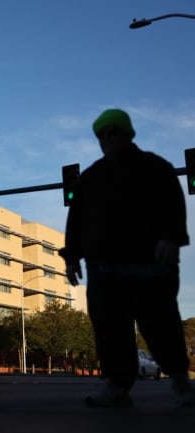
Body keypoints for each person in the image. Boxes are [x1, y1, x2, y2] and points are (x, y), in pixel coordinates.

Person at [59, 108, 194, 408]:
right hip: (104, 270)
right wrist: (71, 258)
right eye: (101, 134)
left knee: (160, 324)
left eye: (112, 132)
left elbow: (173, 205)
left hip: (151, 266)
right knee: (109, 328)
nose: (106, 138)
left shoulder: (156, 168)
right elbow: (77, 221)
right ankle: (117, 385)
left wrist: (171, 239)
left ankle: (179, 379)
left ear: (127, 134)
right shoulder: (91, 178)